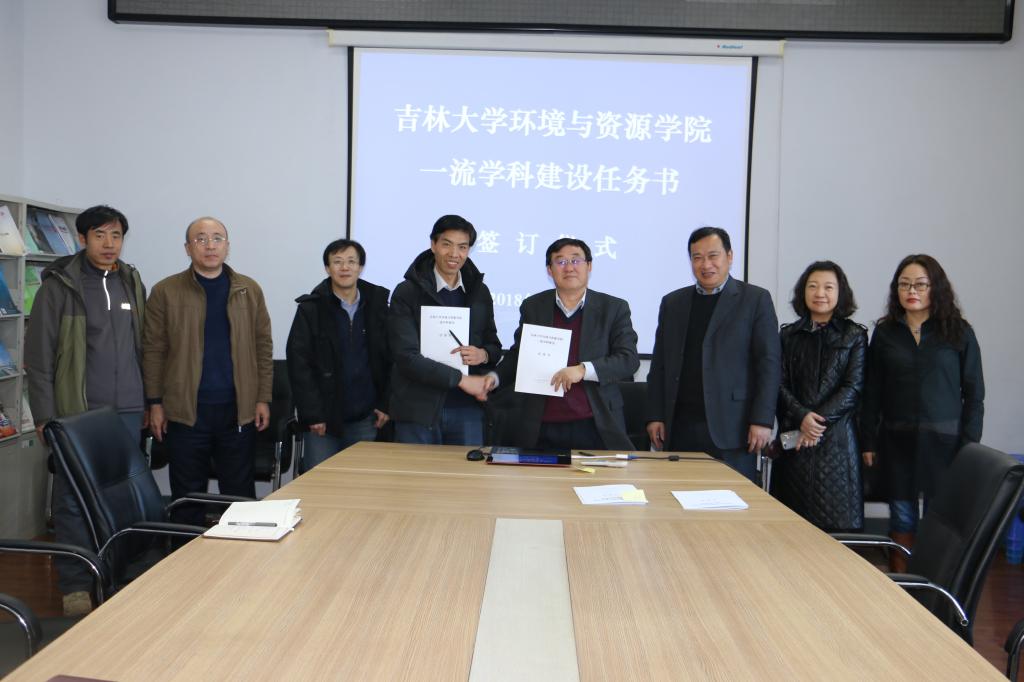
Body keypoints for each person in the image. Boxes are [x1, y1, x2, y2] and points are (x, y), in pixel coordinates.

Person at [25, 204, 146, 616]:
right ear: (82, 239)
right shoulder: (60, 286)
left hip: (128, 410)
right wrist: (45, 415)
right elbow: (39, 357)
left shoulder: (131, 281)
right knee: (73, 500)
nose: (109, 244)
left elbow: (143, 347)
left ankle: (117, 574)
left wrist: (152, 402)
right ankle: (75, 584)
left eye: (116, 235)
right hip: (77, 413)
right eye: (99, 235)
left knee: (125, 497)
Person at [142, 217, 273, 525]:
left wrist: (262, 398)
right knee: (188, 495)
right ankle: (185, 552)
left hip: (237, 409)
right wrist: (155, 403)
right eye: (200, 239)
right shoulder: (165, 291)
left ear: (227, 246)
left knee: (239, 494)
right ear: (188, 248)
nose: (210, 245)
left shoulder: (248, 289)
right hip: (185, 410)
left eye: (217, 238)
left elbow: (263, 347)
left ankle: (240, 552)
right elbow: (153, 350)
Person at [860, 254, 984, 571]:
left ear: (935, 288)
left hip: (945, 443)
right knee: (902, 516)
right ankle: (902, 586)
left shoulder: (959, 332)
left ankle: (933, 584)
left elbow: (974, 394)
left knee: (938, 518)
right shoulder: (886, 333)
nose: (911, 291)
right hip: (896, 440)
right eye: (904, 284)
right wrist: (868, 440)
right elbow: (872, 391)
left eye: (920, 284)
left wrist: (969, 445)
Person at [645, 226, 781, 482]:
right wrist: (655, 415)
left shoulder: (755, 300)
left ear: (729, 256)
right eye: (697, 257)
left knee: (732, 499)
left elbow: (769, 365)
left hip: (734, 428)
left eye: (713, 256)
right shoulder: (673, 303)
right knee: (678, 495)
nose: (705, 264)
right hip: (681, 426)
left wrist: (762, 420)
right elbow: (660, 365)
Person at [488, 238, 639, 450]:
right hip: (541, 424)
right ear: (549, 270)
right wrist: (494, 378)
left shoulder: (613, 308)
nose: (569, 268)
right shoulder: (533, 306)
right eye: (560, 262)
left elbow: (628, 360)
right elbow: (519, 355)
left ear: (589, 266)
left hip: (594, 423)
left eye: (576, 260)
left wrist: (583, 370)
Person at [389, 214, 501, 445]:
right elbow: (405, 356)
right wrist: (461, 380)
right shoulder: (407, 292)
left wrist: (483, 354)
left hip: (467, 409)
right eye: (447, 244)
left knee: (466, 470)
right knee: (416, 470)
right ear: (433, 245)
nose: (454, 254)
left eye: (462, 247)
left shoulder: (479, 292)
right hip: (418, 409)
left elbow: (494, 346)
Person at [773, 261, 867, 532]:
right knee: (789, 527)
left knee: (837, 528)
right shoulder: (788, 335)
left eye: (828, 287)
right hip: (795, 442)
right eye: (812, 286)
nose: (820, 293)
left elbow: (853, 387)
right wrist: (802, 417)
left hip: (837, 442)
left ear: (840, 293)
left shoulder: (854, 335)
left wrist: (815, 424)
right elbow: (778, 384)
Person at [286, 239, 390, 471]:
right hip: (323, 421)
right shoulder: (311, 309)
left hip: (366, 418)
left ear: (360, 267)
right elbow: (299, 364)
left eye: (351, 261)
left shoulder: (377, 306)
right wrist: (313, 414)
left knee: (361, 484)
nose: (345, 267)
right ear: (327, 268)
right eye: (337, 262)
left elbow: (391, 359)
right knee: (320, 484)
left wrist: (386, 404)